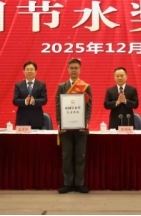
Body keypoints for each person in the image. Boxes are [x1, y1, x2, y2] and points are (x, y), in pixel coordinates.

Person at [55, 58, 93, 194]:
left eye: (76, 68)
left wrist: (86, 122)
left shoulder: (85, 87)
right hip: (66, 128)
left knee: (80, 156)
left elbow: (89, 107)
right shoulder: (61, 87)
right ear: (68, 69)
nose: (74, 70)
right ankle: (68, 183)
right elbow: (58, 107)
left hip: (81, 128)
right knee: (66, 156)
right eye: (71, 68)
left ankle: (79, 184)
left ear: (80, 69)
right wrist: (60, 124)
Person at [13, 61, 48, 129]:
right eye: (27, 69)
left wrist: (34, 101)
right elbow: (15, 101)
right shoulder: (18, 85)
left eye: (31, 69)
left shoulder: (41, 85)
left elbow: (44, 100)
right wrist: (25, 101)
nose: (29, 71)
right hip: (22, 120)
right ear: (24, 72)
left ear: (36, 72)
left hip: (37, 119)